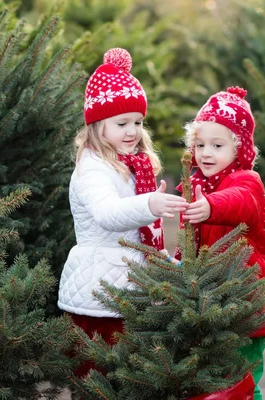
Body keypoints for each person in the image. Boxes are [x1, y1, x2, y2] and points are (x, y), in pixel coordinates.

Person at [57, 48, 188, 378]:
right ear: (97, 125)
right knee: (100, 376)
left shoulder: (130, 165)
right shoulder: (93, 169)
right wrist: (149, 206)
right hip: (98, 293)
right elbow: (107, 214)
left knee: (130, 377)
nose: (133, 131)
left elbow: (139, 227)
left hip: (127, 284)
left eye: (138, 122)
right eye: (122, 123)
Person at [174, 86, 265, 400]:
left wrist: (211, 206)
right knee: (216, 383)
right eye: (200, 144)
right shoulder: (194, 185)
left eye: (217, 145)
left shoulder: (246, 181)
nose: (206, 153)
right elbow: (186, 240)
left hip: (244, 307)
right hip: (210, 307)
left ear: (239, 149)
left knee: (242, 383)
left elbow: (242, 201)